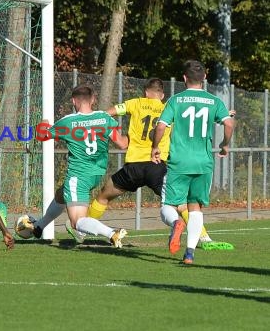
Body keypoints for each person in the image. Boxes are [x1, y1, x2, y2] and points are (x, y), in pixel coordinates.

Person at [87, 78, 232, 249]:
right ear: (162, 95)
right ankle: (204, 238)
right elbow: (192, 120)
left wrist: (91, 119)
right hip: (157, 165)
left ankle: (82, 229)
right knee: (180, 204)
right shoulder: (168, 107)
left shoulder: (135, 103)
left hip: (133, 166)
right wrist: (223, 115)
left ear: (145, 93)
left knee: (104, 195)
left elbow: (107, 113)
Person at [152, 60, 234, 264]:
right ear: (205, 78)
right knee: (195, 206)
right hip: (203, 162)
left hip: (179, 161)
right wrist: (224, 144)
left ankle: (175, 224)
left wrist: (155, 146)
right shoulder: (214, 101)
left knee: (168, 205)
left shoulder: (176, 100)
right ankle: (189, 253)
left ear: (184, 78)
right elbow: (229, 123)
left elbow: (161, 126)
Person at [33, 85, 129, 247]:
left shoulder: (68, 122)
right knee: (61, 194)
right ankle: (39, 226)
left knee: (77, 222)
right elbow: (122, 144)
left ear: (73, 101)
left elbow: (41, 136)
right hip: (97, 174)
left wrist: (43, 123)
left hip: (79, 175)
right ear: (93, 100)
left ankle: (112, 233)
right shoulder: (104, 118)